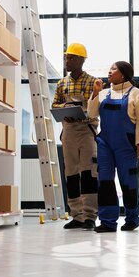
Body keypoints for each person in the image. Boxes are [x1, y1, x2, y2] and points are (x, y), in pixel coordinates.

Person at [88, 61, 139, 232]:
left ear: (123, 74)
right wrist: (95, 93)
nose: (109, 71)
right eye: (110, 68)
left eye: (113, 69)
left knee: (128, 183)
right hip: (105, 144)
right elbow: (91, 114)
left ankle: (132, 218)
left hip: (126, 145)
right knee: (105, 182)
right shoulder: (103, 93)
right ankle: (107, 221)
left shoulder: (136, 94)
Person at [52, 43, 98, 230]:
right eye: (66, 57)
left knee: (88, 173)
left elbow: (95, 107)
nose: (67, 61)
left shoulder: (93, 82)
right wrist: (65, 109)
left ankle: (89, 216)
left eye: (71, 58)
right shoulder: (62, 83)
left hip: (87, 130)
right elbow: (55, 105)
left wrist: (84, 107)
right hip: (69, 130)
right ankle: (76, 216)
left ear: (81, 60)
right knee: (70, 173)